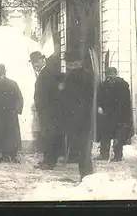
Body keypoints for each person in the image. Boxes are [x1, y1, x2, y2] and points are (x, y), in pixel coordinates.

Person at [60, 49, 95, 180]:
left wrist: (62, 89)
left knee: (83, 148)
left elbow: (73, 98)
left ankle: (86, 176)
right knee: (83, 148)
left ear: (77, 63)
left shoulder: (76, 77)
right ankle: (86, 175)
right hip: (80, 118)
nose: (69, 67)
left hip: (79, 118)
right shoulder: (82, 75)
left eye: (70, 64)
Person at [31, 51, 65, 170]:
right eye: (33, 63)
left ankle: (50, 162)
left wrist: (44, 105)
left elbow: (51, 92)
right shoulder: (44, 72)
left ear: (42, 60)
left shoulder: (48, 72)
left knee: (50, 136)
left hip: (49, 111)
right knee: (46, 135)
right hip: (45, 111)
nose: (35, 65)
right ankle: (47, 159)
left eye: (36, 62)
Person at [0, 64, 24, 163]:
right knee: (0, 134)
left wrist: (16, 110)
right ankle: (3, 155)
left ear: (4, 73)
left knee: (11, 135)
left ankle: (12, 155)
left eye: (0, 74)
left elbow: (19, 98)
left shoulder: (12, 84)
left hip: (10, 113)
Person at [96, 67, 132, 162]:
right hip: (107, 114)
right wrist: (99, 107)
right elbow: (99, 97)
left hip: (120, 114)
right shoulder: (104, 85)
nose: (110, 77)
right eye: (108, 75)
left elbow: (126, 101)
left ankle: (118, 155)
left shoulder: (123, 85)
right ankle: (104, 154)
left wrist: (124, 115)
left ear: (116, 74)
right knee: (105, 135)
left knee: (118, 136)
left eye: (112, 74)